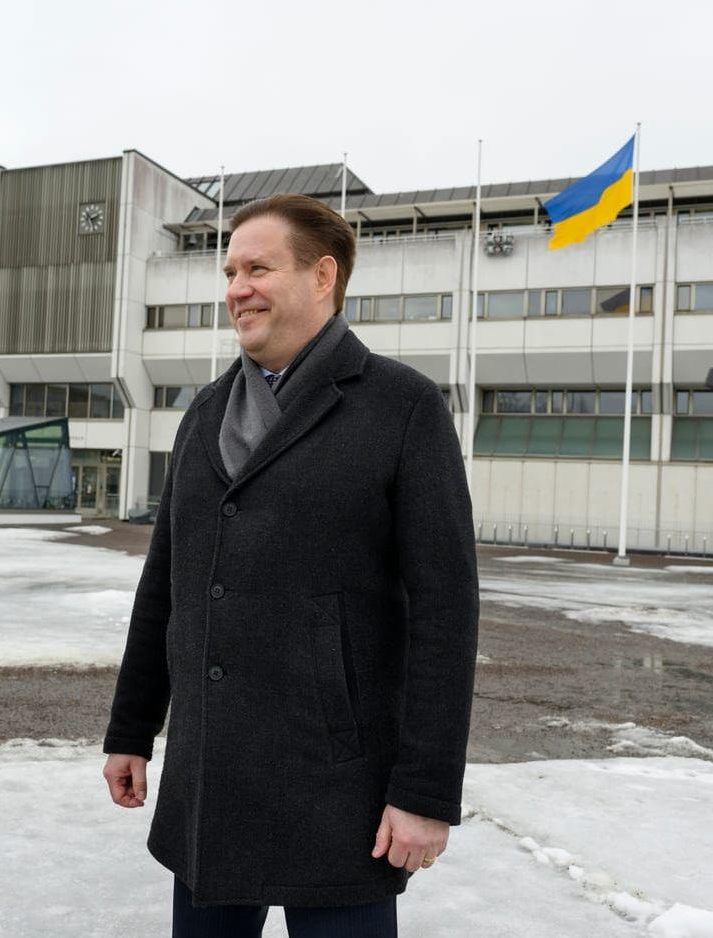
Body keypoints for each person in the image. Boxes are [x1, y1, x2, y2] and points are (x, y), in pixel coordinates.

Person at [103, 194, 479, 936]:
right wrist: (131, 728)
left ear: (322, 276)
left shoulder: (401, 407)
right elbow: (165, 585)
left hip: (340, 788)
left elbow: (447, 609)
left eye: (258, 268)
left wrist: (426, 793)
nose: (236, 287)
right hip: (213, 779)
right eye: (231, 270)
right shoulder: (205, 411)